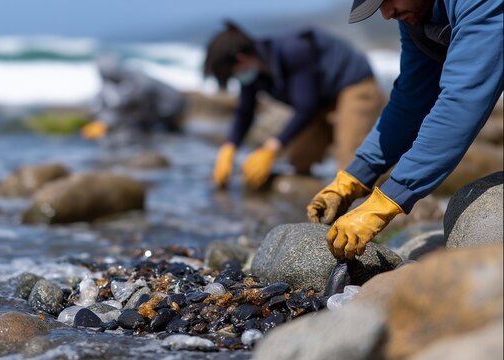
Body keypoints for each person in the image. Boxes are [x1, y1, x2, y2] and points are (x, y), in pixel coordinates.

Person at [308, 0, 503, 260]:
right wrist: (355, 176)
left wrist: (388, 199)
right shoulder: (415, 13)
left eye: (387, 0)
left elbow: (461, 100)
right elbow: (412, 98)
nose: (387, 14)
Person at [205, 22, 383, 189]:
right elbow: (245, 111)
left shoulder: (292, 51)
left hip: (354, 85)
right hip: (321, 99)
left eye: (232, 74)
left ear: (241, 59)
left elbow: (306, 106)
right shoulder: (255, 71)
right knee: (299, 159)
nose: (236, 78)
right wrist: (229, 146)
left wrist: (271, 147)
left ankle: (377, 201)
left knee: (350, 164)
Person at [81, 57, 186, 139]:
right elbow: (103, 99)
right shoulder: (115, 82)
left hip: (171, 104)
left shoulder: (135, 76)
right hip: (159, 106)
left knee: (164, 129)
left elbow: (140, 95)